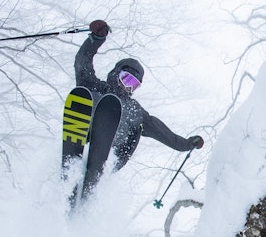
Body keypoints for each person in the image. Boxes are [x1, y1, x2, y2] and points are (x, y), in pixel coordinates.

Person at [74, 19, 204, 170]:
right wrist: (96, 39)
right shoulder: (96, 87)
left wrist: (187, 145)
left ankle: (105, 165)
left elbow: (162, 132)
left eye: (134, 85)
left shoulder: (134, 110)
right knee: (94, 96)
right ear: (116, 74)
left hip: (111, 154)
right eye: (126, 79)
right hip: (87, 134)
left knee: (136, 124)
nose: (128, 87)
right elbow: (82, 62)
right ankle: (83, 145)